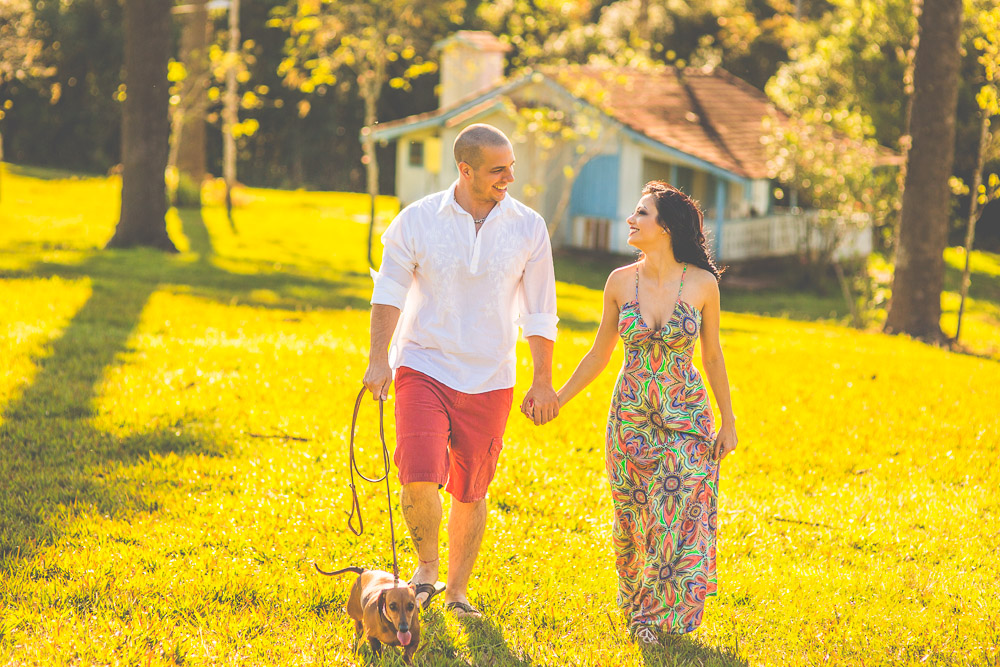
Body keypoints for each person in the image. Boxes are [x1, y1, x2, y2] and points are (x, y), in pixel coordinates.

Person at [364, 123, 559, 619]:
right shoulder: (417, 220)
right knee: (419, 472)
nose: (509, 177)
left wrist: (542, 379)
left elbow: (540, 309)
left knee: (472, 488)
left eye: (511, 167)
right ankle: (426, 570)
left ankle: (457, 593)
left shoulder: (529, 227)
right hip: (423, 365)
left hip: (491, 376)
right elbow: (388, 291)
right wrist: (378, 359)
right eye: (498, 170)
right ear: (465, 169)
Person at [553, 181, 737, 645]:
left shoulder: (702, 283)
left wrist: (728, 420)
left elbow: (712, 356)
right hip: (631, 416)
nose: (631, 221)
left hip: (686, 416)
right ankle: (641, 615)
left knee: (678, 506)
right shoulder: (619, 281)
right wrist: (559, 396)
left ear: (667, 227)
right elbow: (599, 354)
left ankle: (657, 614)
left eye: (641, 213)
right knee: (634, 517)